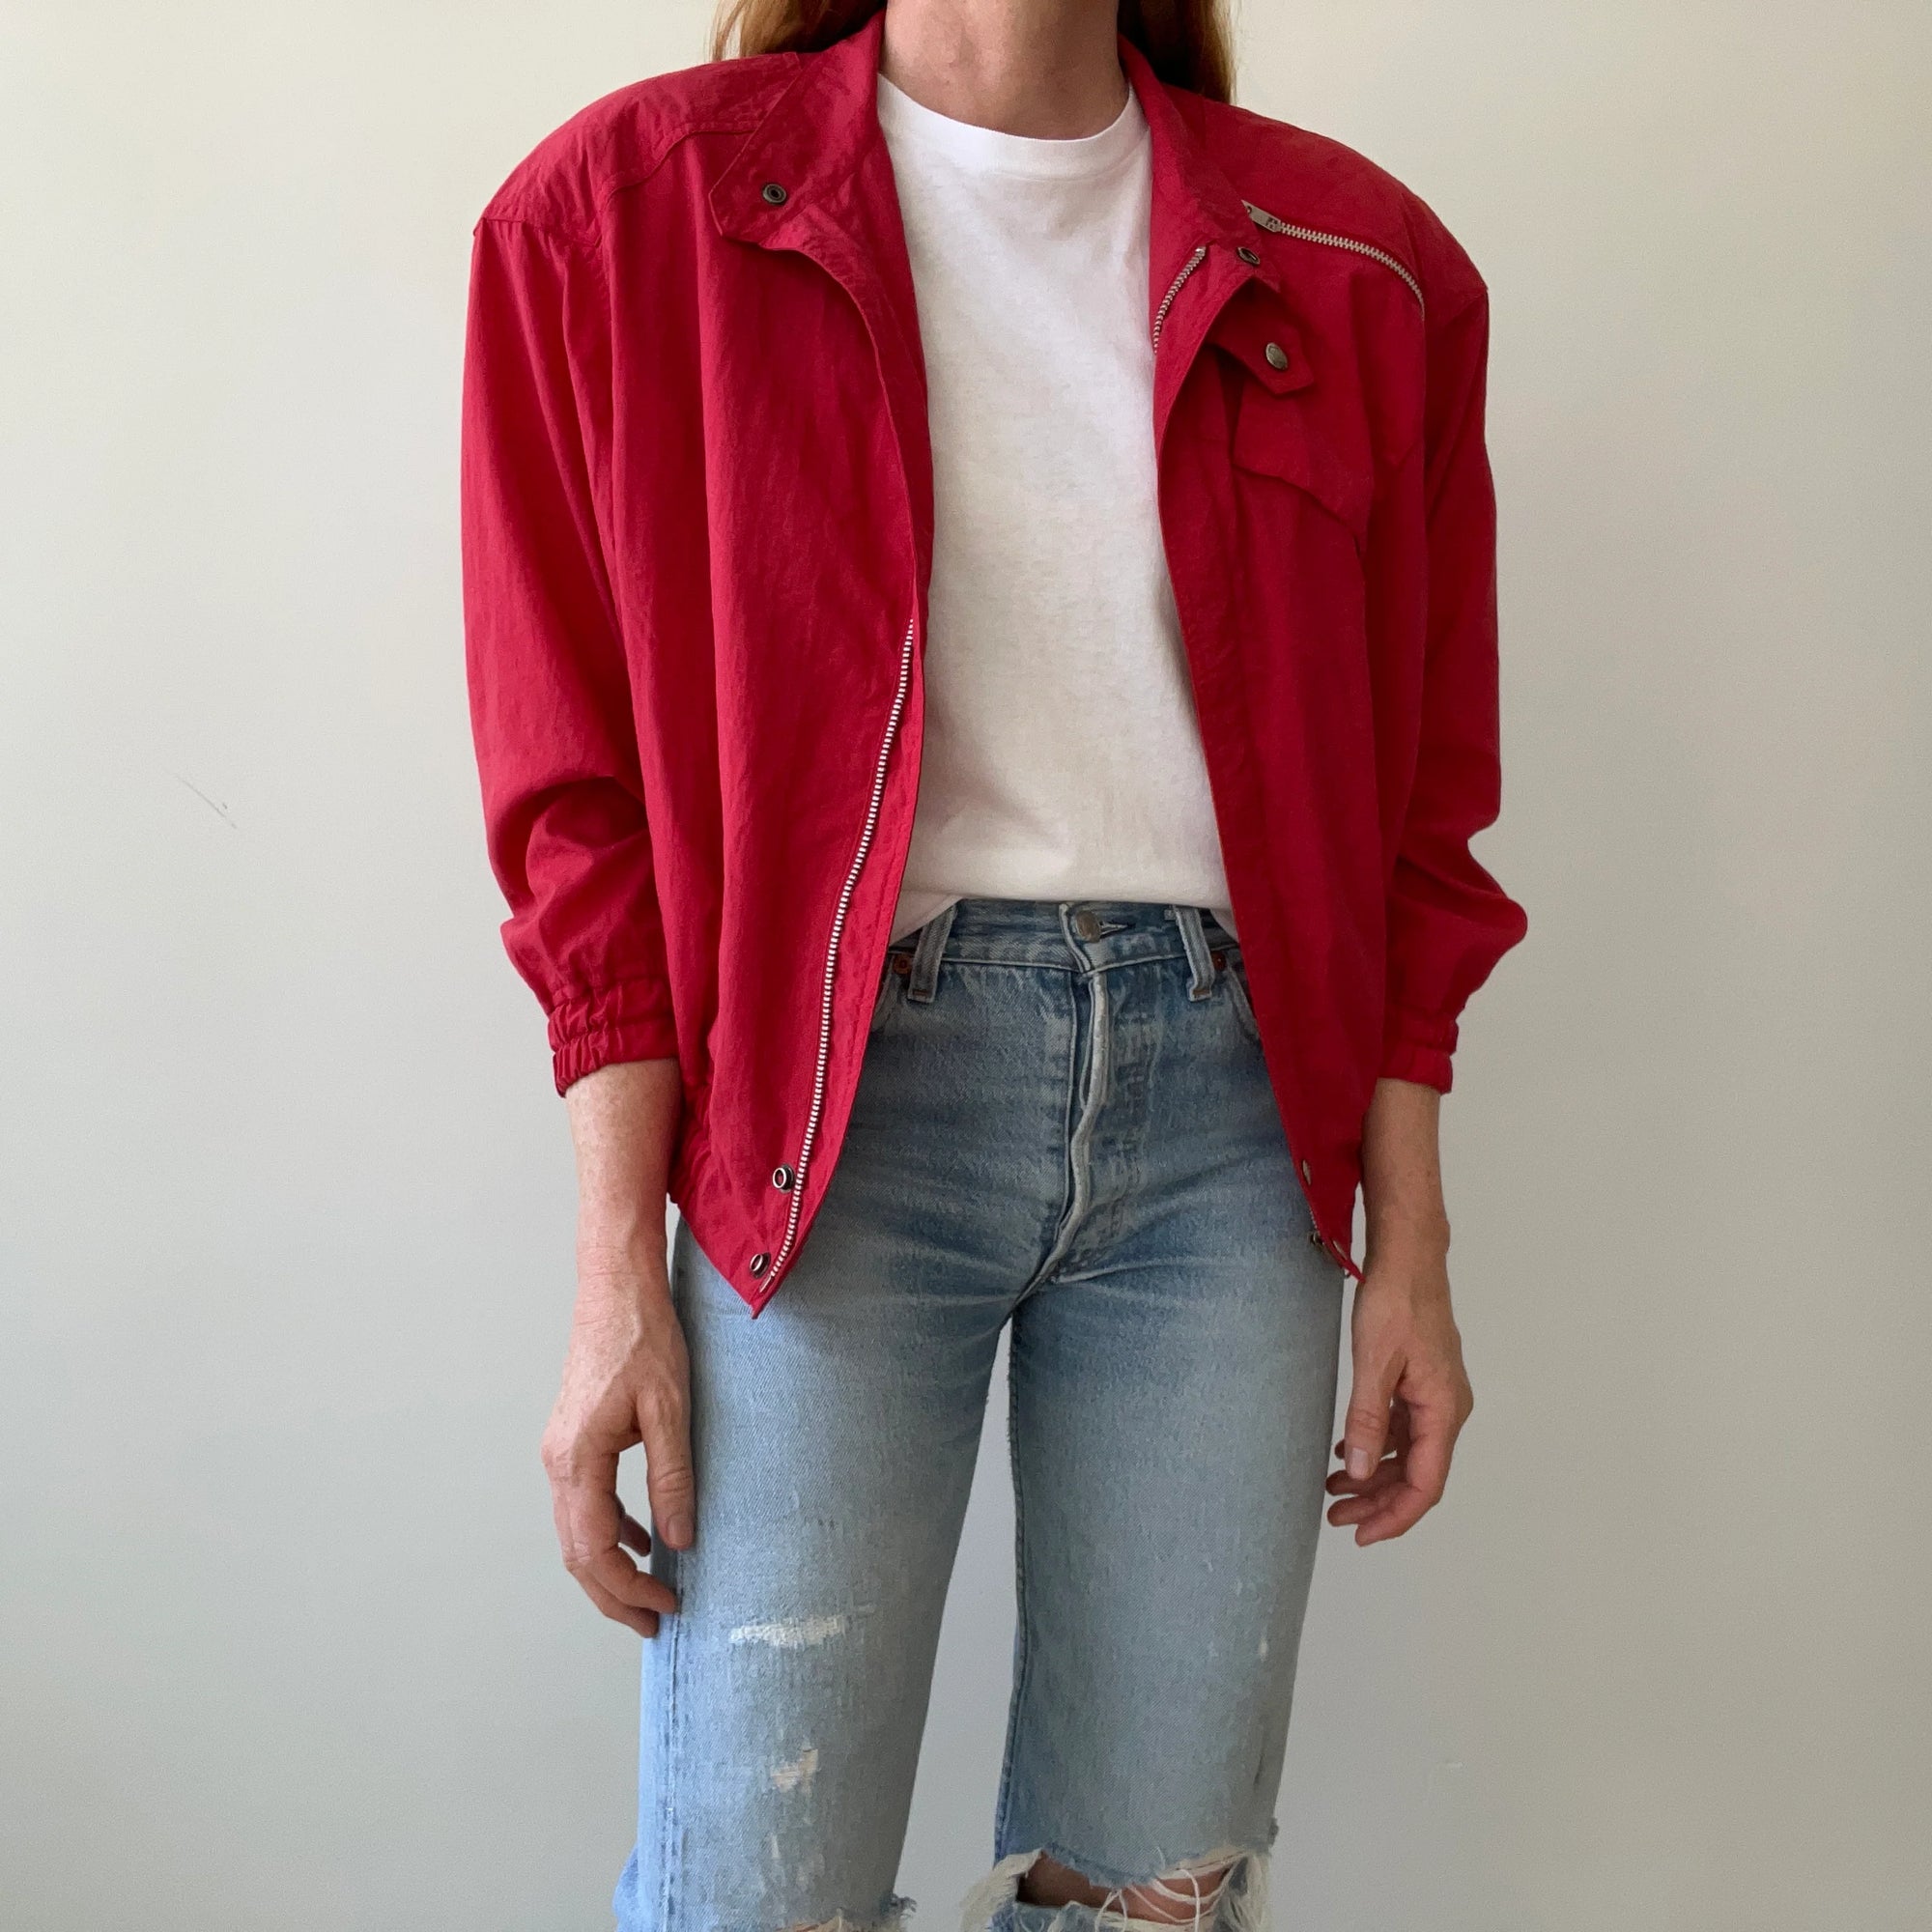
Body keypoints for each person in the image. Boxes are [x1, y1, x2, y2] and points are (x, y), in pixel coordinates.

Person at [460, 0, 1526, 1924]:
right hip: (836, 1126)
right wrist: (617, 1268)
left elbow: (1414, 820)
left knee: (1155, 1892)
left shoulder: (1365, 266)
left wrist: (1410, 1248)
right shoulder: (624, 218)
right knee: (750, 1891)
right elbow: (575, 802)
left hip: (1234, 1135)